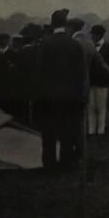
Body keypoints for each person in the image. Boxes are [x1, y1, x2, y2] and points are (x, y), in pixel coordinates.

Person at [37, 10, 86, 170]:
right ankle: (66, 162)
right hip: (70, 96)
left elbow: (40, 72)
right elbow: (81, 74)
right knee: (67, 130)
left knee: (49, 131)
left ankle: (49, 163)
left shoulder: (46, 43)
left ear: (52, 24)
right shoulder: (75, 44)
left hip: (49, 96)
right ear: (65, 24)